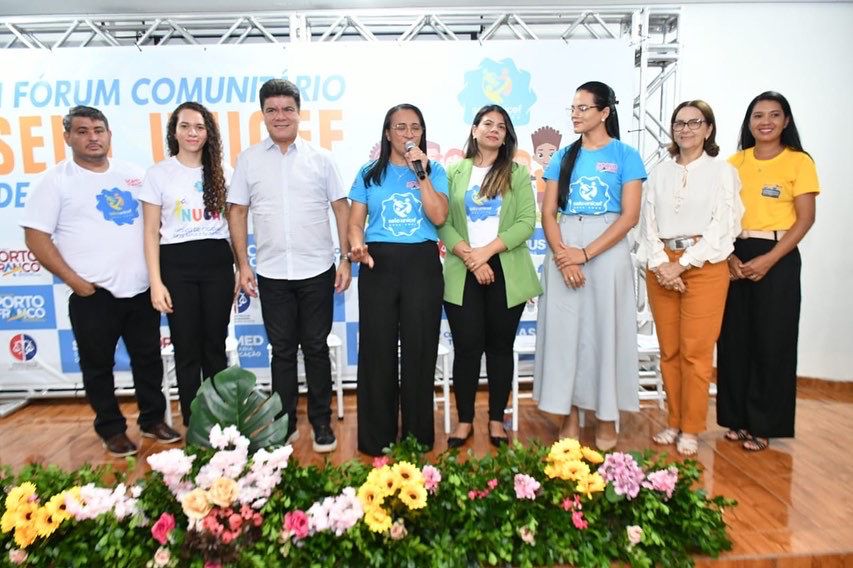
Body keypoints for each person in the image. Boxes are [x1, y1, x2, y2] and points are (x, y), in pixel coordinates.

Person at [21, 106, 180, 457]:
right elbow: (36, 237)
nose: (92, 137)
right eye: (82, 131)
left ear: (109, 135)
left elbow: (155, 225)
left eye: (98, 130)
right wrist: (74, 281)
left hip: (140, 290)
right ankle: (111, 428)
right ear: (68, 137)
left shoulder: (134, 175)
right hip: (93, 294)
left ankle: (152, 420)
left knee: (148, 360)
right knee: (97, 367)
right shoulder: (55, 181)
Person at [227, 79, 351, 454]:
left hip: (317, 269)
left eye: (287, 109)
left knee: (315, 349)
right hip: (271, 272)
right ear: (263, 114)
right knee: (281, 352)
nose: (280, 116)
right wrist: (242, 264)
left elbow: (341, 208)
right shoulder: (249, 160)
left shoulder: (321, 158)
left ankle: (321, 422)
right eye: (272, 110)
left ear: (299, 112)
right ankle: (283, 423)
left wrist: (344, 258)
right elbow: (237, 211)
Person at [533, 81, 646, 451]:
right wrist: (565, 254)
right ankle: (567, 414)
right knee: (564, 336)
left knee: (606, 332)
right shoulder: (562, 157)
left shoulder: (626, 155)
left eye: (583, 108)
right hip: (564, 243)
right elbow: (548, 212)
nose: (576, 114)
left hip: (607, 247)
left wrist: (585, 253)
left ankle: (607, 416)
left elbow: (629, 216)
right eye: (573, 108)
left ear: (604, 112)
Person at [636, 100, 743, 456]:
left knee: (696, 353)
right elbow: (647, 222)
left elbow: (725, 227)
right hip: (662, 265)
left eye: (694, 123)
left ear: (708, 129)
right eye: (679, 123)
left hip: (705, 265)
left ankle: (693, 428)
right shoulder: (661, 172)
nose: (685, 129)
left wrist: (683, 265)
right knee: (670, 351)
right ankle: (673, 420)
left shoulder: (721, 171)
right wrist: (661, 263)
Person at [716, 92, 819, 452]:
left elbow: (805, 219)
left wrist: (770, 258)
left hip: (777, 255)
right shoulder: (733, 162)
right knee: (734, 339)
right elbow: (721, 215)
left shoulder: (798, 162)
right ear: (748, 122)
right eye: (758, 115)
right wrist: (728, 255)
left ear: (786, 121)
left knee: (772, 340)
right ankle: (737, 419)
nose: (766, 122)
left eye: (774, 115)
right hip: (733, 253)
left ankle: (763, 425)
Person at [348, 103, 449, 456]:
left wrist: (419, 174)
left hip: (421, 263)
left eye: (415, 127)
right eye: (401, 127)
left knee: (420, 350)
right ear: (387, 133)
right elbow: (355, 223)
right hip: (378, 264)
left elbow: (438, 216)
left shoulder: (434, 171)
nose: (409, 134)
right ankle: (377, 438)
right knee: (377, 351)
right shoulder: (368, 173)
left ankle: (419, 436)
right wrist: (357, 245)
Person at [439, 104, 541, 448]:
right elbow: (442, 222)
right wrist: (472, 258)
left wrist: (486, 253)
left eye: (501, 125)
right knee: (467, 349)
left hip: (506, 268)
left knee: (500, 349)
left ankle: (497, 419)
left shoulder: (516, 173)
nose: (494, 129)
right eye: (487, 123)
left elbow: (526, 223)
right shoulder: (453, 172)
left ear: (507, 135)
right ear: (474, 130)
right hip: (462, 267)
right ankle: (465, 420)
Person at [140, 101, 234, 427]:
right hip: (176, 265)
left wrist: (240, 268)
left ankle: (220, 424)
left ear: (209, 133)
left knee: (214, 346)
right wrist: (156, 281)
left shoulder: (225, 173)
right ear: (174, 131)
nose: (192, 133)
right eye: (185, 126)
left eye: (199, 127)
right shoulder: (158, 173)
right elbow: (151, 231)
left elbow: (235, 226)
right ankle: (196, 423)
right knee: (186, 348)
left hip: (218, 264)